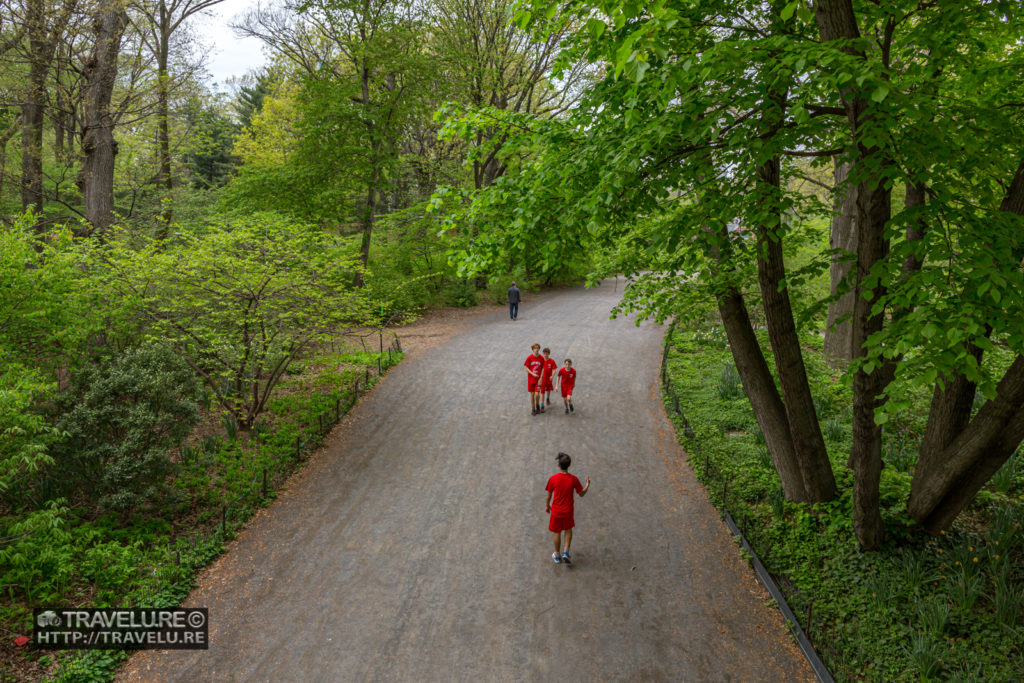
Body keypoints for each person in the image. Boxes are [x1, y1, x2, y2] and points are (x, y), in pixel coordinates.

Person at [545, 452, 590, 564]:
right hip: (568, 511)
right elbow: (581, 493)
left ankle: (557, 555)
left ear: (558, 465)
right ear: (569, 465)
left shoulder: (553, 479)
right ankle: (566, 552)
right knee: (568, 530)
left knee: (557, 532)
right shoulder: (573, 479)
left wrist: (547, 506)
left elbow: (549, 496)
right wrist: (587, 485)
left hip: (556, 511)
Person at [524, 343, 544, 415]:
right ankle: (533, 408)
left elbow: (543, 368)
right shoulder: (529, 358)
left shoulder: (541, 358)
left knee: (537, 394)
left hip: (538, 380)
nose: (536, 349)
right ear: (532, 349)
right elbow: (526, 368)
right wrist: (533, 374)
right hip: (531, 379)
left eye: (538, 348)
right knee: (532, 394)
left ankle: (537, 405)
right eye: (535, 348)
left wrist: (541, 377)